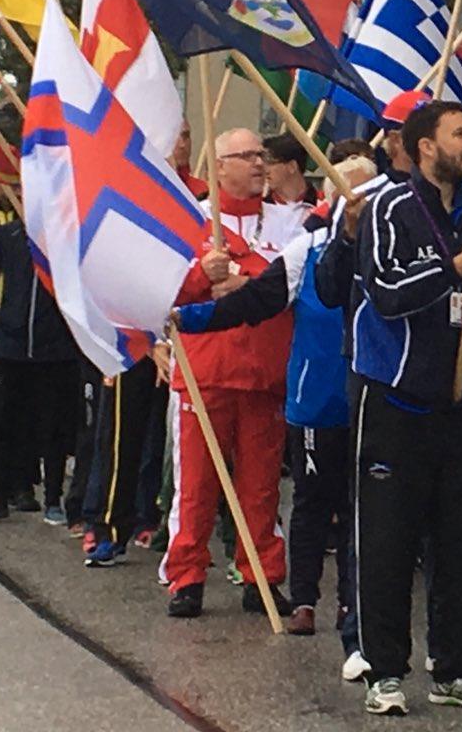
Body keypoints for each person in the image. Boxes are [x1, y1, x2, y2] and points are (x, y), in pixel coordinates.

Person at [348, 100, 462, 716]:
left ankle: (458, 667)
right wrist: (450, 273)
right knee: (388, 541)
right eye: (460, 134)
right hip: (395, 399)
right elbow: (386, 293)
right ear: (424, 148)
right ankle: (384, 670)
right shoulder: (388, 205)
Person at [160, 126, 294, 619]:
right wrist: (201, 276)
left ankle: (262, 575)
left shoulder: (288, 222)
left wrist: (242, 280)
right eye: (247, 155)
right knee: (196, 484)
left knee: (260, 487)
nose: (260, 163)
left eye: (262, 155)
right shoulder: (187, 220)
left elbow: (294, 281)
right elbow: (164, 292)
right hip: (206, 371)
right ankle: (186, 575)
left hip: (264, 374)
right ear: (219, 167)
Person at [0, 204, 80, 524]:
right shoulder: (8, 235)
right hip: (10, 347)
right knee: (4, 425)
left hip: (56, 348)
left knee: (53, 427)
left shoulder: (68, 236)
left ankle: (54, 499)